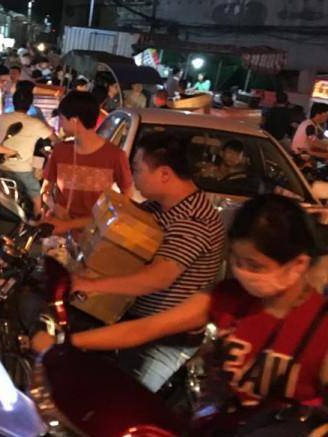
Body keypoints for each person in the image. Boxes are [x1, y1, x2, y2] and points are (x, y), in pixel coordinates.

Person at [67, 194, 328, 435]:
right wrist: (67, 344)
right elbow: (145, 329)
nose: (243, 272)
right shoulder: (228, 297)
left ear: (298, 264)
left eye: (255, 266)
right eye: (237, 260)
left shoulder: (320, 326)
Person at [70, 132, 225, 392]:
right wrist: (64, 225)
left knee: (128, 400)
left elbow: (157, 278)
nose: (133, 178)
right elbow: (119, 221)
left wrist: (90, 284)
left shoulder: (194, 220)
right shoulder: (160, 207)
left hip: (166, 338)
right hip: (135, 321)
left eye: (137, 170)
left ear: (164, 174)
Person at [41, 91, 135, 235]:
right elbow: (45, 189)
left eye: (62, 118)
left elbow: (126, 200)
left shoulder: (115, 156)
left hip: (93, 235)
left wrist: (72, 224)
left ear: (74, 120)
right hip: (59, 232)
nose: (59, 123)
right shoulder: (60, 150)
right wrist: (53, 206)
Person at [0, 87, 58, 217]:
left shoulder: (2, 117)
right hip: (22, 170)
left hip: (0, 167)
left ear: (13, 102)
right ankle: (37, 219)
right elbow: (55, 139)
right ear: (30, 104)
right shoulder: (36, 123)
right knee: (35, 192)